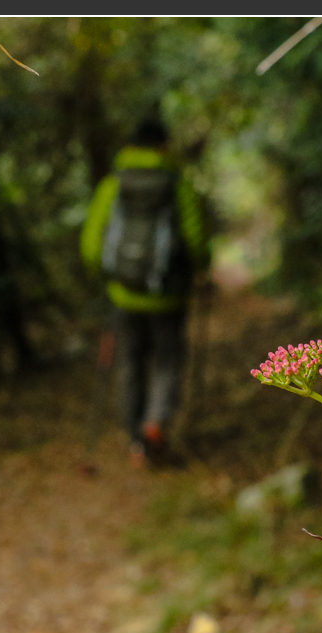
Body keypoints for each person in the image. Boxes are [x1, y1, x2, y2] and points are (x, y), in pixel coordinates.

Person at [80, 118, 209, 468]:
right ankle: (156, 424)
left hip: (123, 295)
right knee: (167, 360)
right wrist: (200, 268)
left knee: (130, 364)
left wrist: (112, 275)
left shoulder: (113, 185)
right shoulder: (177, 185)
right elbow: (196, 241)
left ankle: (135, 438)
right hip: (169, 295)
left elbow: (91, 245)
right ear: (164, 146)